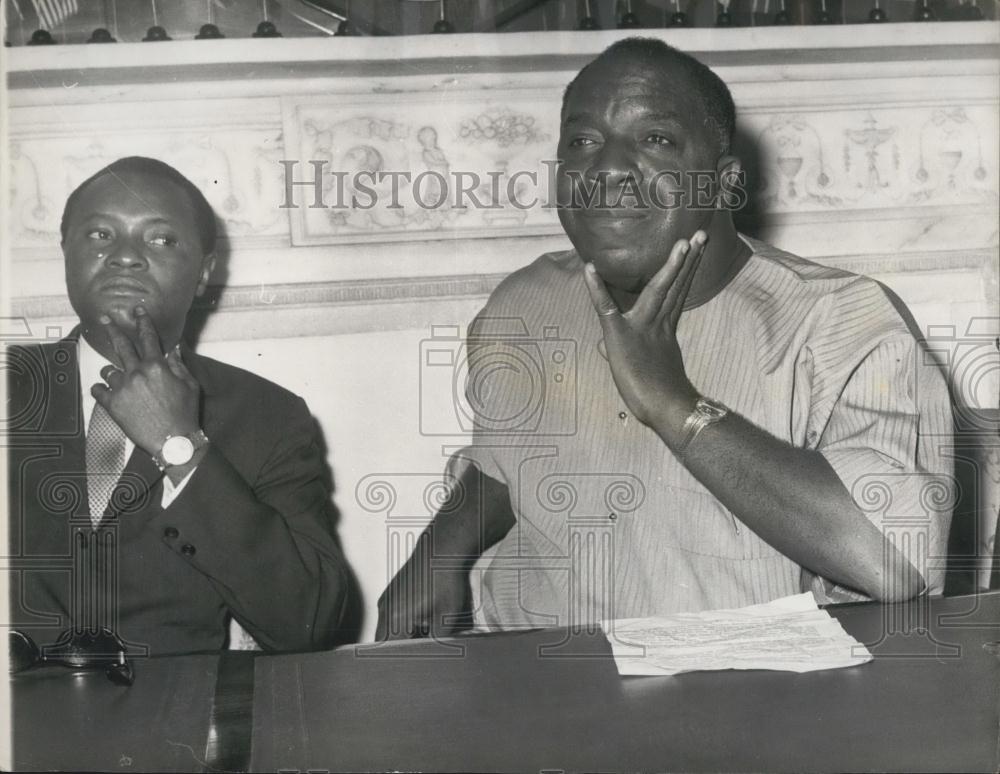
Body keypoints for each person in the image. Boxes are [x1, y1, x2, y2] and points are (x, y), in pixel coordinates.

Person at [376, 38, 953, 639]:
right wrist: (438, 553)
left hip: (749, 696)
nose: (607, 169)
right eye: (582, 141)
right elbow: (504, 459)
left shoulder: (843, 322)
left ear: (725, 183)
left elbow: (893, 561)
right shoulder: (523, 302)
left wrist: (675, 404)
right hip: (537, 678)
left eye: (655, 139)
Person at [7, 156, 351, 655]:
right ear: (66, 254)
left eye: (161, 239)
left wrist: (183, 448)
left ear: (204, 273)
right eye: (100, 235)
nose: (125, 256)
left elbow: (311, 621)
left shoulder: (268, 417)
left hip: (177, 721)